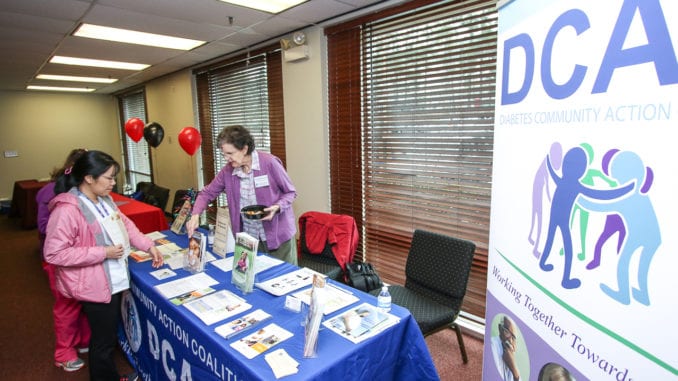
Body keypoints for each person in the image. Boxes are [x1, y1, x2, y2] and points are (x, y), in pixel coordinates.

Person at [43, 150, 164, 381]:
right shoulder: (68, 209)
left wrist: (149, 246)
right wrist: (103, 252)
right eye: (108, 177)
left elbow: (126, 226)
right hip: (94, 284)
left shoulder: (105, 200)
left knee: (106, 336)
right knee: (103, 342)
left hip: (111, 279)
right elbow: (54, 253)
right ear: (89, 178)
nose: (113, 182)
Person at [186, 125, 298, 265]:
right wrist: (195, 214)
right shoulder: (228, 171)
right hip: (249, 238)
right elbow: (207, 192)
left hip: (277, 235)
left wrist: (277, 207)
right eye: (224, 154)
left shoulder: (269, 163)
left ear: (244, 149)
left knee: (284, 279)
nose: (226, 158)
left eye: (230, 153)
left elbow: (290, 192)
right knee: (254, 279)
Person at [36, 148, 91, 372]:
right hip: (60, 261)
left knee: (86, 301)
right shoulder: (51, 191)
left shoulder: (87, 191)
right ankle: (64, 352)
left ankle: (83, 340)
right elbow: (43, 227)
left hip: (84, 258)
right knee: (67, 306)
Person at [491, 315, 521, 381]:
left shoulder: (511, 354)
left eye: (513, 337)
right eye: (507, 332)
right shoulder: (493, 344)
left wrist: (514, 370)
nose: (510, 340)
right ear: (499, 328)